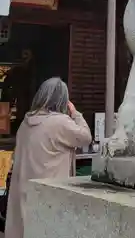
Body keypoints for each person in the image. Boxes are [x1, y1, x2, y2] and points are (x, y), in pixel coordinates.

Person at [5, 77, 92, 238]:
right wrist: (75, 113)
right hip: (49, 193)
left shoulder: (26, 122)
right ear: (63, 100)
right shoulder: (60, 122)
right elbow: (86, 137)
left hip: (24, 190)